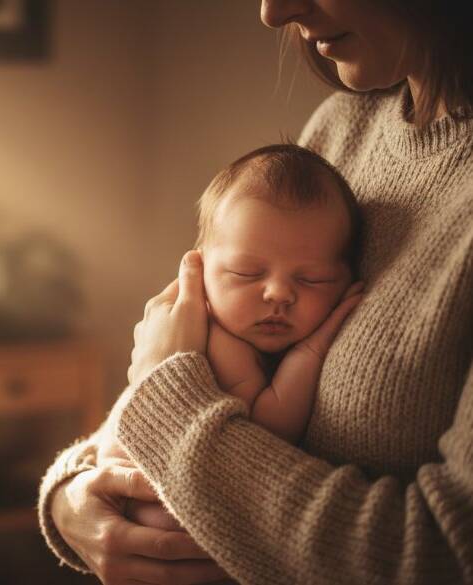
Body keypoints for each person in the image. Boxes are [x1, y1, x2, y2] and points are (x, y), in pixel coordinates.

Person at [38, 1, 473, 584]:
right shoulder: (344, 127)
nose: (273, 11)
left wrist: (162, 393)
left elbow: (442, 553)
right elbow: (170, 390)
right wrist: (72, 495)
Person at [96, 144, 365, 531]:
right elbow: (270, 431)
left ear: (345, 279)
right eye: (245, 273)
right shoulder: (220, 341)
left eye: (312, 279)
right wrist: (312, 348)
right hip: (155, 512)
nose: (278, 294)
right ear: (200, 268)